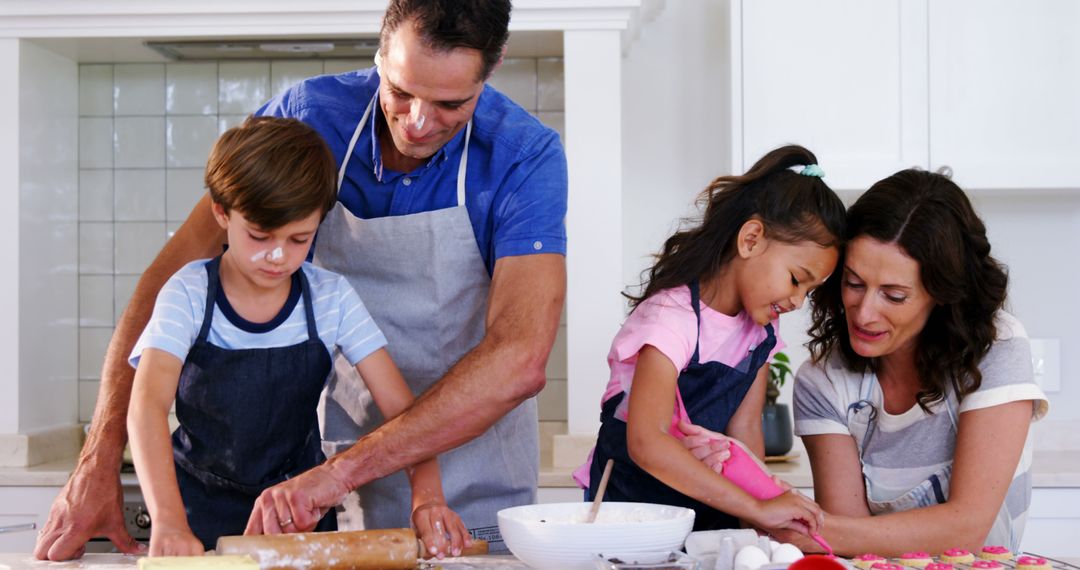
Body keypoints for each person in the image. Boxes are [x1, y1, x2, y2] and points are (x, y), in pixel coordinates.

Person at [35, 0, 566, 560]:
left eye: (450, 103)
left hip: (466, 481)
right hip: (321, 483)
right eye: (400, 91)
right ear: (380, 52)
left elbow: (520, 356)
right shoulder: (308, 118)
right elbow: (172, 275)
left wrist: (351, 477)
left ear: (495, 63)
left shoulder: (523, 157)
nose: (417, 122)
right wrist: (98, 455)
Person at [126, 116, 468, 557]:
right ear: (221, 213)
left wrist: (429, 497)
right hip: (194, 516)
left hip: (299, 522)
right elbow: (147, 405)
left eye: (298, 239)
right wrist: (169, 522)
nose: (277, 256)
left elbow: (403, 411)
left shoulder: (331, 299)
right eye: (259, 235)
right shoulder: (188, 293)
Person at [572, 145, 843, 534]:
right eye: (797, 279)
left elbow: (746, 433)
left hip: (712, 512)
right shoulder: (671, 319)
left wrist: (765, 511)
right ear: (750, 239)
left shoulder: (761, 330)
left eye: (810, 291)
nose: (798, 301)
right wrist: (755, 506)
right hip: (631, 513)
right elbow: (647, 441)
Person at [786, 169, 1048, 555]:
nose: (863, 314)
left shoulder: (996, 347)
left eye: (893, 295)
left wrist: (810, 533)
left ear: (941, 295)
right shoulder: (822, 381)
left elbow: (967, 527)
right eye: (854, 283)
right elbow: (851, 548)